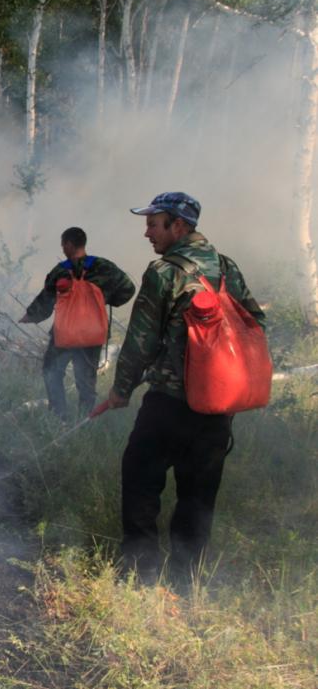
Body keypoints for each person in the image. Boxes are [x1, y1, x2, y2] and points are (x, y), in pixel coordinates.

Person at [107, 191, 265, 583]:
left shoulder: (163, 273)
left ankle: (141, 575)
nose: (146, 232)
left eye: (153, 223)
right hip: (217, 407)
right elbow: (255, 321)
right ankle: (185, 581)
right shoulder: (227, 267)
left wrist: (121, 390)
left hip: (169, 404)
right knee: (198, 496)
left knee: (141, 479)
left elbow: (140, 340)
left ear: (178, 226)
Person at [21, 227, 136, 421]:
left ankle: (59, 417)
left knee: (52, 372)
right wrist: (105, 300)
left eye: (63, 244)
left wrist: (30, 316)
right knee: (86, 381)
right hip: (92, 335)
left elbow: (46, 300)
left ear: (68, 244)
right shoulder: (104, 267)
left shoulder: (61, 270)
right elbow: (128, 289)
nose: (63, 248)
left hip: (64, 335)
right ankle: (84, 422)